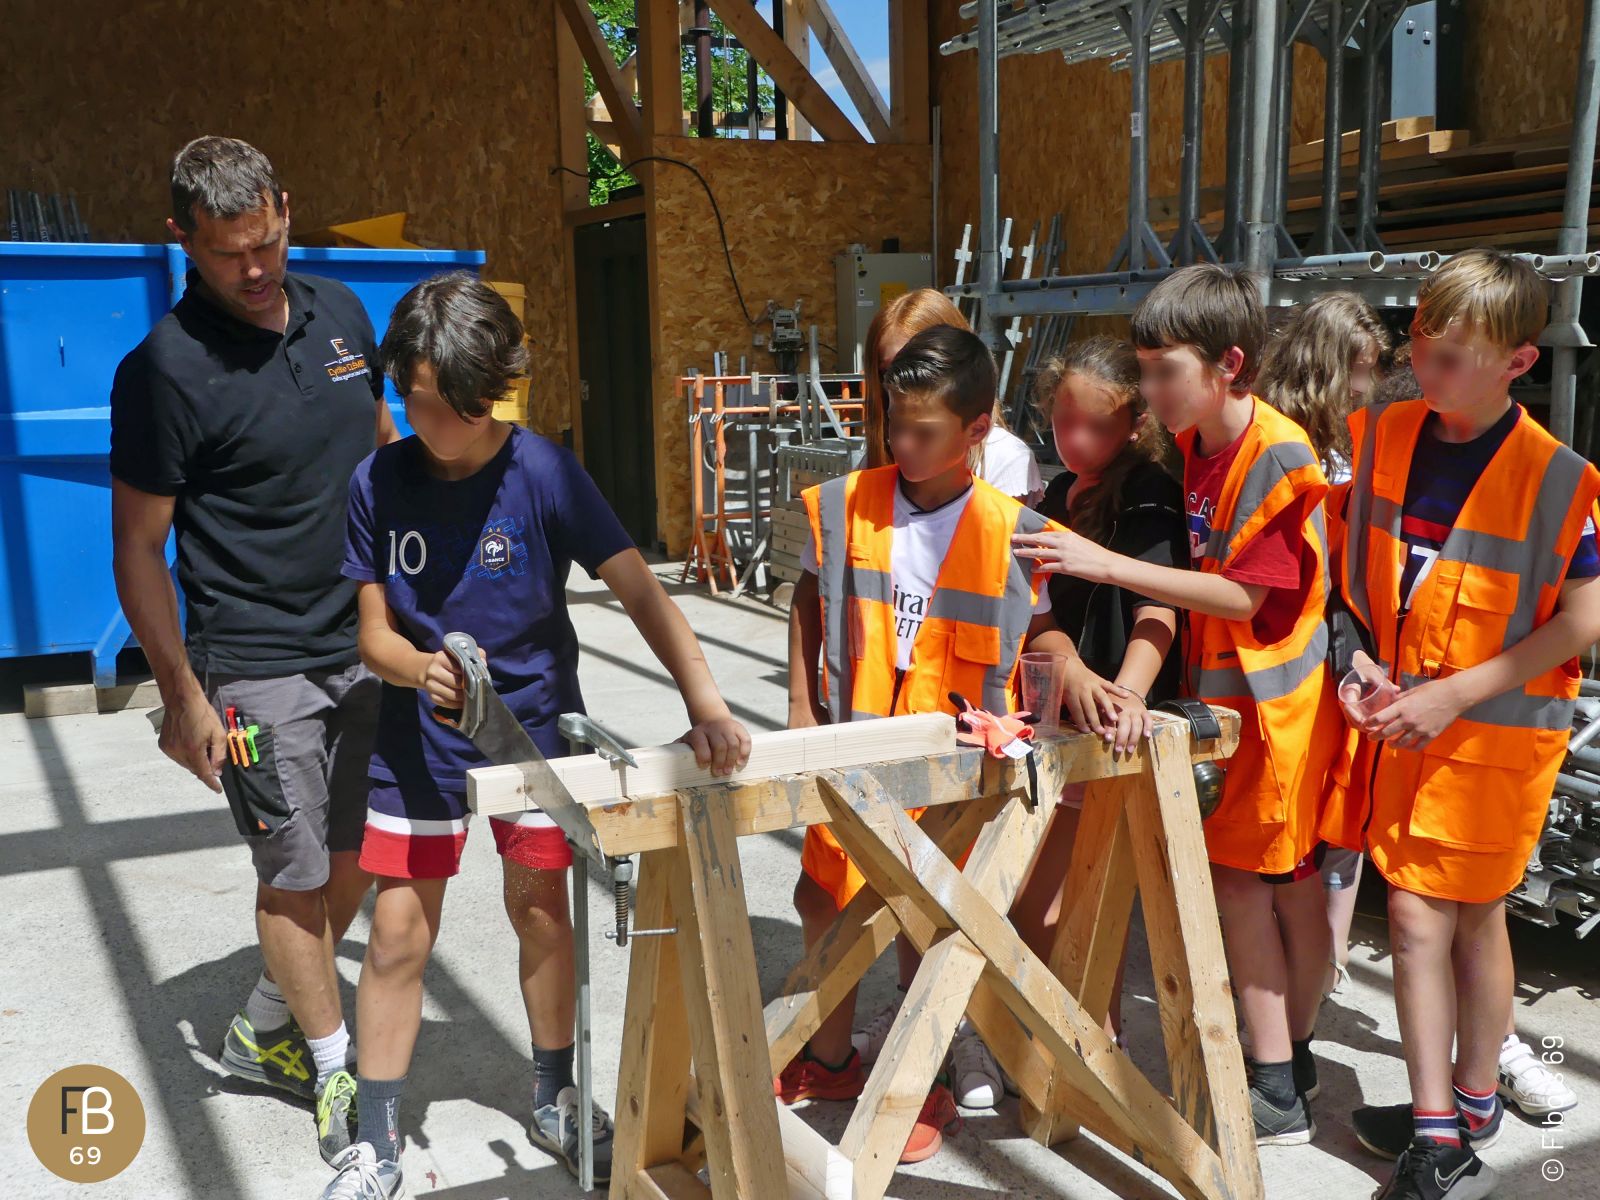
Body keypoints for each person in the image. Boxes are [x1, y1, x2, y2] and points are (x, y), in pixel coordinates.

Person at [320, 273, 751, 1198]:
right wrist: (415, 670)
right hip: (417, 744)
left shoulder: (545, 472)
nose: (426, 422)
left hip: (533, 741)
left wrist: (706, 701)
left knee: (541, 910)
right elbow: (372, 634)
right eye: (413, 400)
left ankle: (557, 1096)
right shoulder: (376, 480)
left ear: (490, 394)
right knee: (397, 931)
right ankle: (379, 1134)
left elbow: (641, 590)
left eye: (445, 407)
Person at [110, 136, 396, 1164]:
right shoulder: (160, 373)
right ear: (182, 238)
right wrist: (182, 691)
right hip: (249, 663)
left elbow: (377, 448)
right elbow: (139, 548)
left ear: (284, 206)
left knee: (361, 857)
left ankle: (263, 1022)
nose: (256, 268)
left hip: (363, 641)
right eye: (230, 253)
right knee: (291, 873)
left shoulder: (342, 314)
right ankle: (330, 1073)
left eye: (267, 240)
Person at [1013, 264, 1342, 1147]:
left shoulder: (1277, 454)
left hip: (1278, 713)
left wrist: (1104, 564)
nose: (1151, 393)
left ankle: (1278, 1078)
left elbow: (1242, 599)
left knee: (1264, 886)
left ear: (1229, 362)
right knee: (1264, 885)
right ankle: (1289, 1059)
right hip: (1226, 711)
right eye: (1145, 371)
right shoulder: (1195, 441)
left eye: (1164, 373)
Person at [1323, 250, 1600, 1199]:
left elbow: (1585, 619)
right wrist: (1357, 655)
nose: (1427, 367)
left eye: (1452, 355)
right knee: (1474, 917)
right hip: (1400, 723)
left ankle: (1438, 1137)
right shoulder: (1383, 434)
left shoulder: (1560, 480)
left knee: (1412, 917)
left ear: (1518, 363)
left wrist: (1451, 694)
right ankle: (1472, 1099)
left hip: (1491, 739)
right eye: (1420, 344)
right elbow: (1357, 577)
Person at [782, 325, 1070, 1162]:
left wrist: (1080, 670)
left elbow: (1039, 631)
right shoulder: (842, 505)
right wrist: (802, 704)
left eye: (925, 430)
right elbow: (808, 602)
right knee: (824, 897)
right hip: (853, 744)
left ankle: (918, 1080)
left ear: (979, 429)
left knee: (927, 920)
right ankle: (829, 1061)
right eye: (892, 423)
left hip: (955, 768)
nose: (902, 443)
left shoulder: (1012, 528)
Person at [1009, 336, 1186, 1044]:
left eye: (1096, 426)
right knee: (1038, 906)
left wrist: (1128, 695)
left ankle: (1093, 1046)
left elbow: (1157, 610)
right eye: (1062, 422)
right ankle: (1067, 1042)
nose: (1076, 440)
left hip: (1113, 731)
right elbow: (1038, 610)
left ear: (1136, 424)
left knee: (1084, 906)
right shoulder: (1055, 495)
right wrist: (1068, 669)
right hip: (1057, 718)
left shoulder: (1148, 495)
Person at [1258, 293, 1394, 997]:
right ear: (1326, 363)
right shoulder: (1284, 441)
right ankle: (1297, 956)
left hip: (1349, 641)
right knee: (1297, 813)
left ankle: (1330, 951)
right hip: (1299, 647)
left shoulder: (1354, 441)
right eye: (1359, 369)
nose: (1366, 386)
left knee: (1345, 804)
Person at [863, 289, 1044, 505]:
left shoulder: (1003, 457)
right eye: (889, 370)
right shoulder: (879, 455)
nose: (903, 379)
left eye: (922, 365)